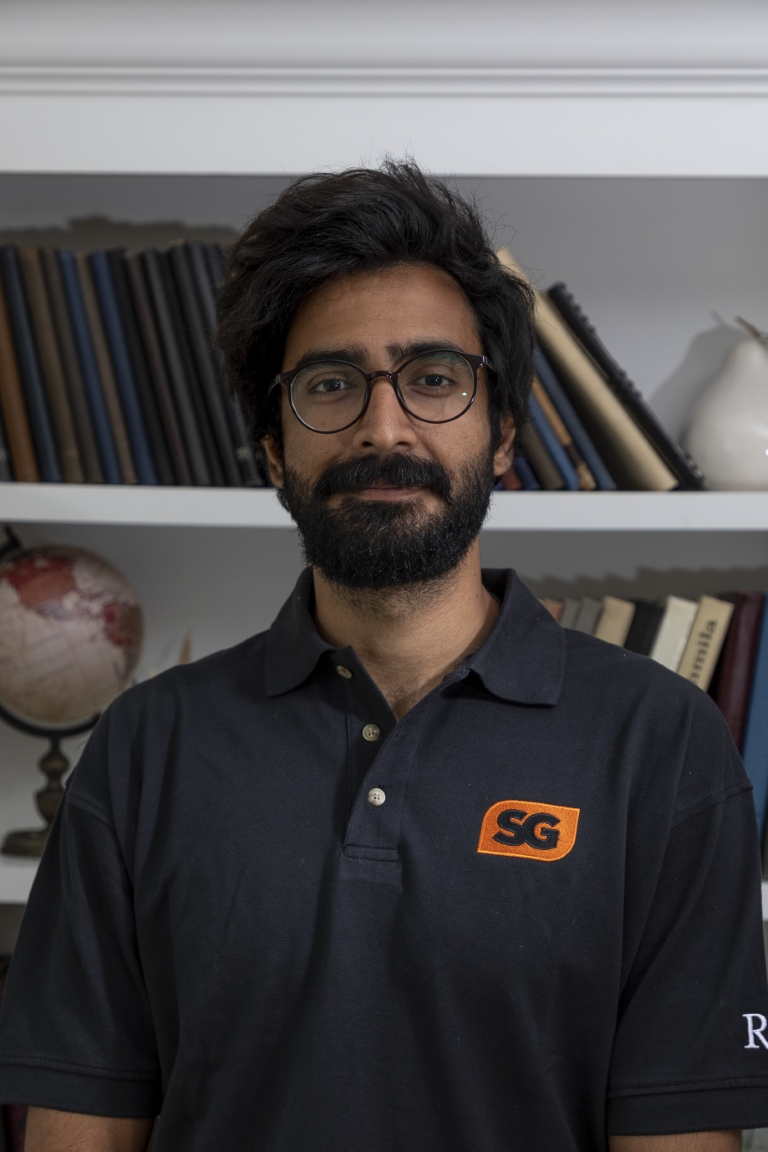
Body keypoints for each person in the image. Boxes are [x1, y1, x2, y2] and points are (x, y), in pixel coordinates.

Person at [0, 162, 766, 1152]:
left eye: (435, 379)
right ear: (275, 452)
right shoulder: (150, 747)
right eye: (331, 384)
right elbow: (81, 1135)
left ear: (502, 437)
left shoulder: (661, 744)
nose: (384, 424)